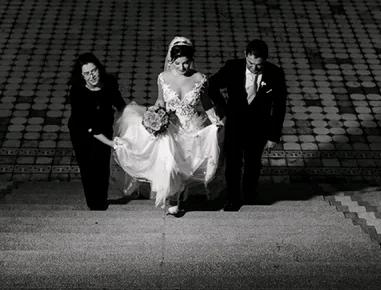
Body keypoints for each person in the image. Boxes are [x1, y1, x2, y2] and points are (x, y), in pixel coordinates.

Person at [113, 37, 224, 215]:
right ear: (171, 61)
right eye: (177, 63)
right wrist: (157, 113)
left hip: (191, 127)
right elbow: (160, 99)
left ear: (191, 61)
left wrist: (214, 119)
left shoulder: (200, 79)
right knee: (170, 164)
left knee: (187, 166)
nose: (182, 68)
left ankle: (178, 194)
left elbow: (206, 103)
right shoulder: (163, 77)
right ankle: (173, 197)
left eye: (186, 63)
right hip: (170, 127)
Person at [209, 39, 287, 211]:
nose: (254, 68)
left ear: (265, 60)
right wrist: (223, 109)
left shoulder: (275, 74)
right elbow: (211, 85)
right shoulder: (232, 67)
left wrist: (274, 135)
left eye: (259, 65)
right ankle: (233, 198)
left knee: (253, 163)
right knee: (233, 163)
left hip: (259, 127)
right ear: (245, 55)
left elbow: (280, 107)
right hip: (235, 124)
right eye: (251, 63)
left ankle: (250, 193)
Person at [67, 53, 126, 210]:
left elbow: (120, 105)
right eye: (86, 73)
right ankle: (94, 204)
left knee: (102, 164)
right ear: (81, 76)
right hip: (82, 132)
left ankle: (102, 200)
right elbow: (89, 125)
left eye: (94, 71)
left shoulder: (109, 83)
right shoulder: (77, 92)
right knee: (88, 167)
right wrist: (111, 143)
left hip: (104, 126)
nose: (91, 76)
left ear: (99, 69)